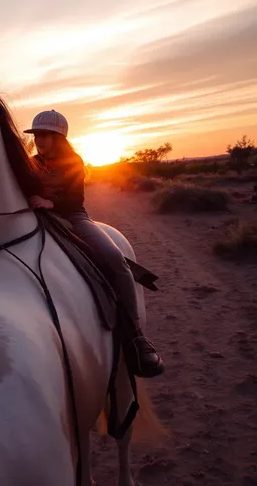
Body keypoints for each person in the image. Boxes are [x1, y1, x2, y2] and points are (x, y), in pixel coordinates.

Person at [24, 109, 164, 378]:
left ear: (58, 137)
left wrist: (49, 202)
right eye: (36, 135)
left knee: (114, 258)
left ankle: (136, 334)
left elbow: (75, 200)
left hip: (72, 216)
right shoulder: (30, 163)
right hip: (36, 219)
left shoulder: (73, 161)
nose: (39, 140)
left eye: (44, 135)